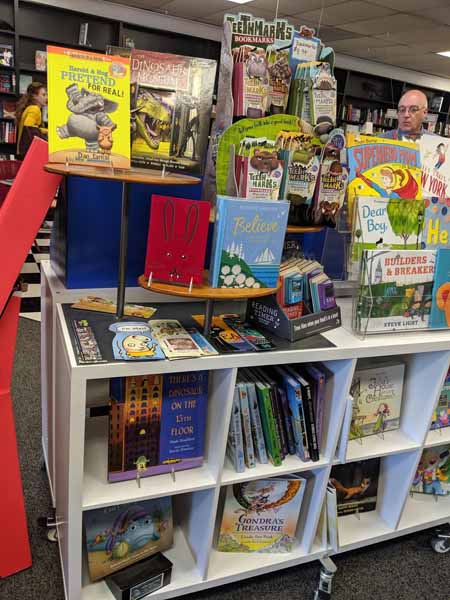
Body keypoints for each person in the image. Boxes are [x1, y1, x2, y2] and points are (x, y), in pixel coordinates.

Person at [15, 81, 48, 159]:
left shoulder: (29, 108)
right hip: (28, 152)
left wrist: (46, 131)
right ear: (34, 96)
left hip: (22, 151)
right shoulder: (34, 109)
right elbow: (29, 128)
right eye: (43, 95)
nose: (46, 97)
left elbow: (32, 127)